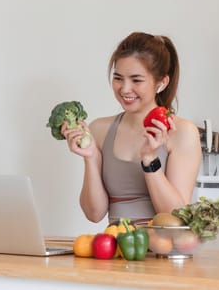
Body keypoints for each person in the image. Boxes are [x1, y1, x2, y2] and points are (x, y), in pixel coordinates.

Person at [62, 32, 201, 224]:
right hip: (116, 247)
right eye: (118, 78)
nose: (125, 89)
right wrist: (91, 158)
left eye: (136, 80)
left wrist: (150, 159)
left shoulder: (183, 132)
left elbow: (175, 216)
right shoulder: (100, 129)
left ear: (161, 83)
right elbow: (94, 214)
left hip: (162, 250)